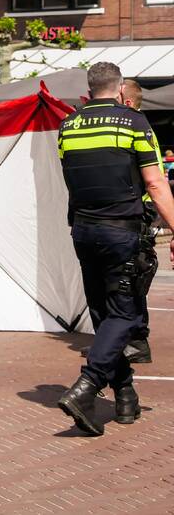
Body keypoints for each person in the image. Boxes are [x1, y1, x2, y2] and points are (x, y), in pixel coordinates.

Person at [56, 63, 174, 436]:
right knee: (124, 315)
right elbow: (155, 183)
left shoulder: (68, 126)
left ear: (89, 89)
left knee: (104, 317)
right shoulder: (134, 123)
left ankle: (125, 398)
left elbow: (72, 179)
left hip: (83, 231)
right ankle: (87, 386)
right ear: (120, 87)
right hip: (122, 232)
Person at [121, 79, 158, 364]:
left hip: (140, 215)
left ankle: (137, 341)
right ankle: (126, 340)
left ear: (129, 103)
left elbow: (152, 179)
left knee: (135, 276)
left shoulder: (140, 129)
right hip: (137, 212)